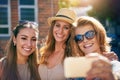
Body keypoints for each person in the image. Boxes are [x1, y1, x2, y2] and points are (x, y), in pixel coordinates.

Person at [38, 8, 80, 80]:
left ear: (70, 32)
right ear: (53, 27)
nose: (60, 31)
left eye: (66, 27)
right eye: (58, 25)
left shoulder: (74, 57)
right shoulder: (43, 52)